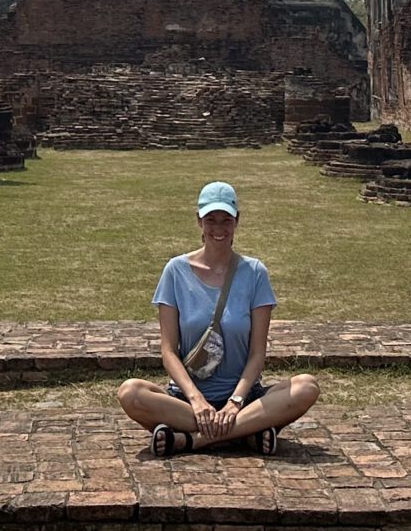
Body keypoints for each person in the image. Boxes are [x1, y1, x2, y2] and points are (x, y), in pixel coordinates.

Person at [115, 179, 320, 455]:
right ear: (199, 221)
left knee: (307, 386)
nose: (219, 228)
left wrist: (235, 401)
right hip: (187, 401)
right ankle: (246, 432)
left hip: (243, 397)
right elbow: (168, 351)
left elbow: (258, 354)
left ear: (237, 220)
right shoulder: (175, 271)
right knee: (131, 393)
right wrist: (196, 399)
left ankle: (193, 440)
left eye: (226, 220)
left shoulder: (255, 272)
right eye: (211, 219)